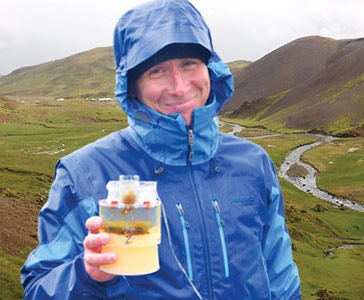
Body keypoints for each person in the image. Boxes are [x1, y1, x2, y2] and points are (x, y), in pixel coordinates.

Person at [20, 0, 302, 298]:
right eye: (157, 71)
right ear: (132, 87)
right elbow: (39, 287)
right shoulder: (83, 174)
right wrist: (88, 277)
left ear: (211, 69)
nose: (179, 87)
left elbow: (280, 277)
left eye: (188, 64)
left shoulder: (253, 162)